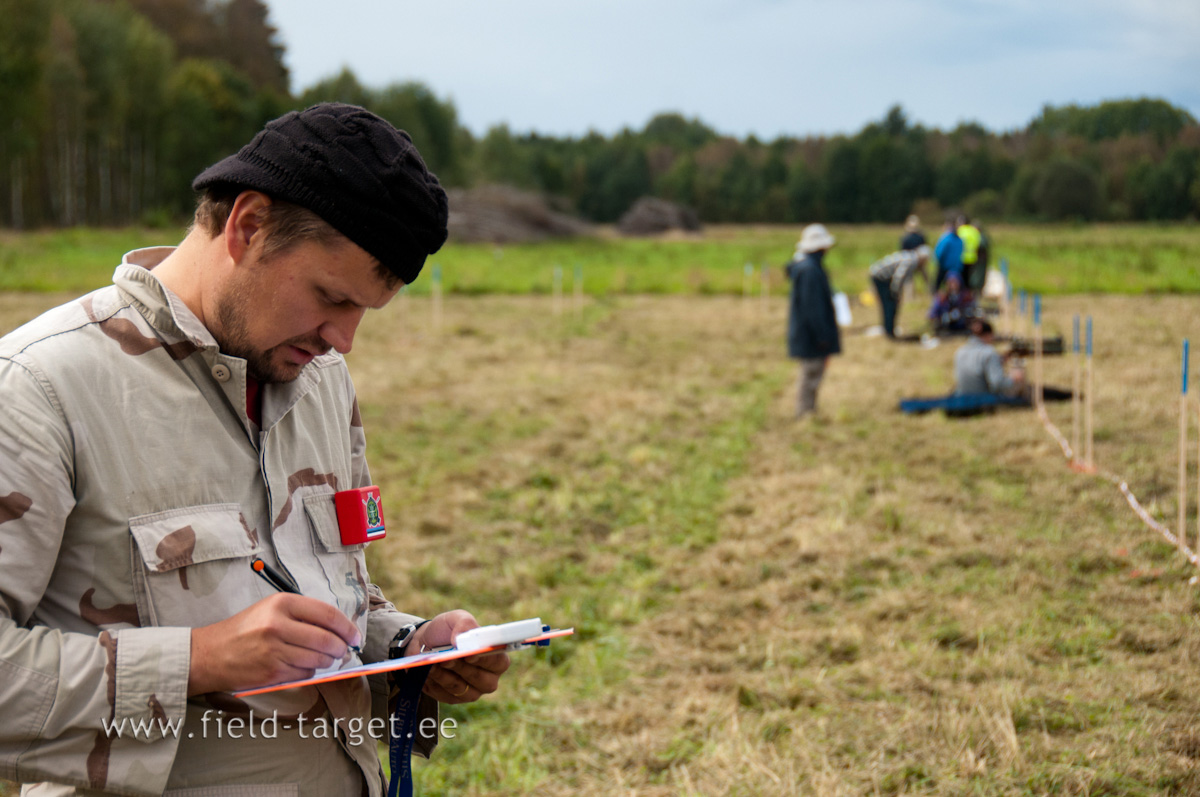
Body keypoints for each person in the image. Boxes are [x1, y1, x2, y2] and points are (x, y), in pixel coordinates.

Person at [0, 104, 511, 796]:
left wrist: (406, 649)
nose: (344, 339)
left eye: (363, 311)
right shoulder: (39, 388)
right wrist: (201, 658)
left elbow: (330, 592)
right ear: (248, 225)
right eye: (330, 296)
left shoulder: (317, 378)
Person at [784, 224, 841, 418]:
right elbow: (813, 307)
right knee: (811, 373)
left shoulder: (808, 267)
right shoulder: (810, 271)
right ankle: (804, 413)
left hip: (808, 332)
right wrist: (823, 334)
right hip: (810, 334)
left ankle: (809, 410)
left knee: (812, 373)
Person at [868, 244, 930, 337]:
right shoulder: (910, 261)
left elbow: (924, 273)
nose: (925, 263)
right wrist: (895, 293)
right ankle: (889, 331)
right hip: (880, 277)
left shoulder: (914, 259)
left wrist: (930, 287)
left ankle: (889, 328)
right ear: (922, 258)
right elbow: (899, 277)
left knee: (893, 304)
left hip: (886, 278)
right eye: (925, 261)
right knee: (889, 304)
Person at [954, 319, 1025, 396]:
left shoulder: (960, 352)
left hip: (964, 394)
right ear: (988, 335)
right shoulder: (989, 352)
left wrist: (998, 362)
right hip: (984, 397)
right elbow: (998, 383)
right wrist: (1013, 378)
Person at [932, 217, 963, 292]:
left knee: (939, 282)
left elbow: (939, 252)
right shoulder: (960, 240)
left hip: (945, 265)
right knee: (955, 283)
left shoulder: (946, 239)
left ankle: (936, 294)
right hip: (956, 266)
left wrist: (938, 260)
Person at [956, 213, 985, 292]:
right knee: (969, 277)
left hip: (962, 257)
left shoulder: (960, 230)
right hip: (973, 258)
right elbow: (978, 243)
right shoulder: (974, 231)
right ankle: (969, 292)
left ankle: (962, 292)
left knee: (961, 276)